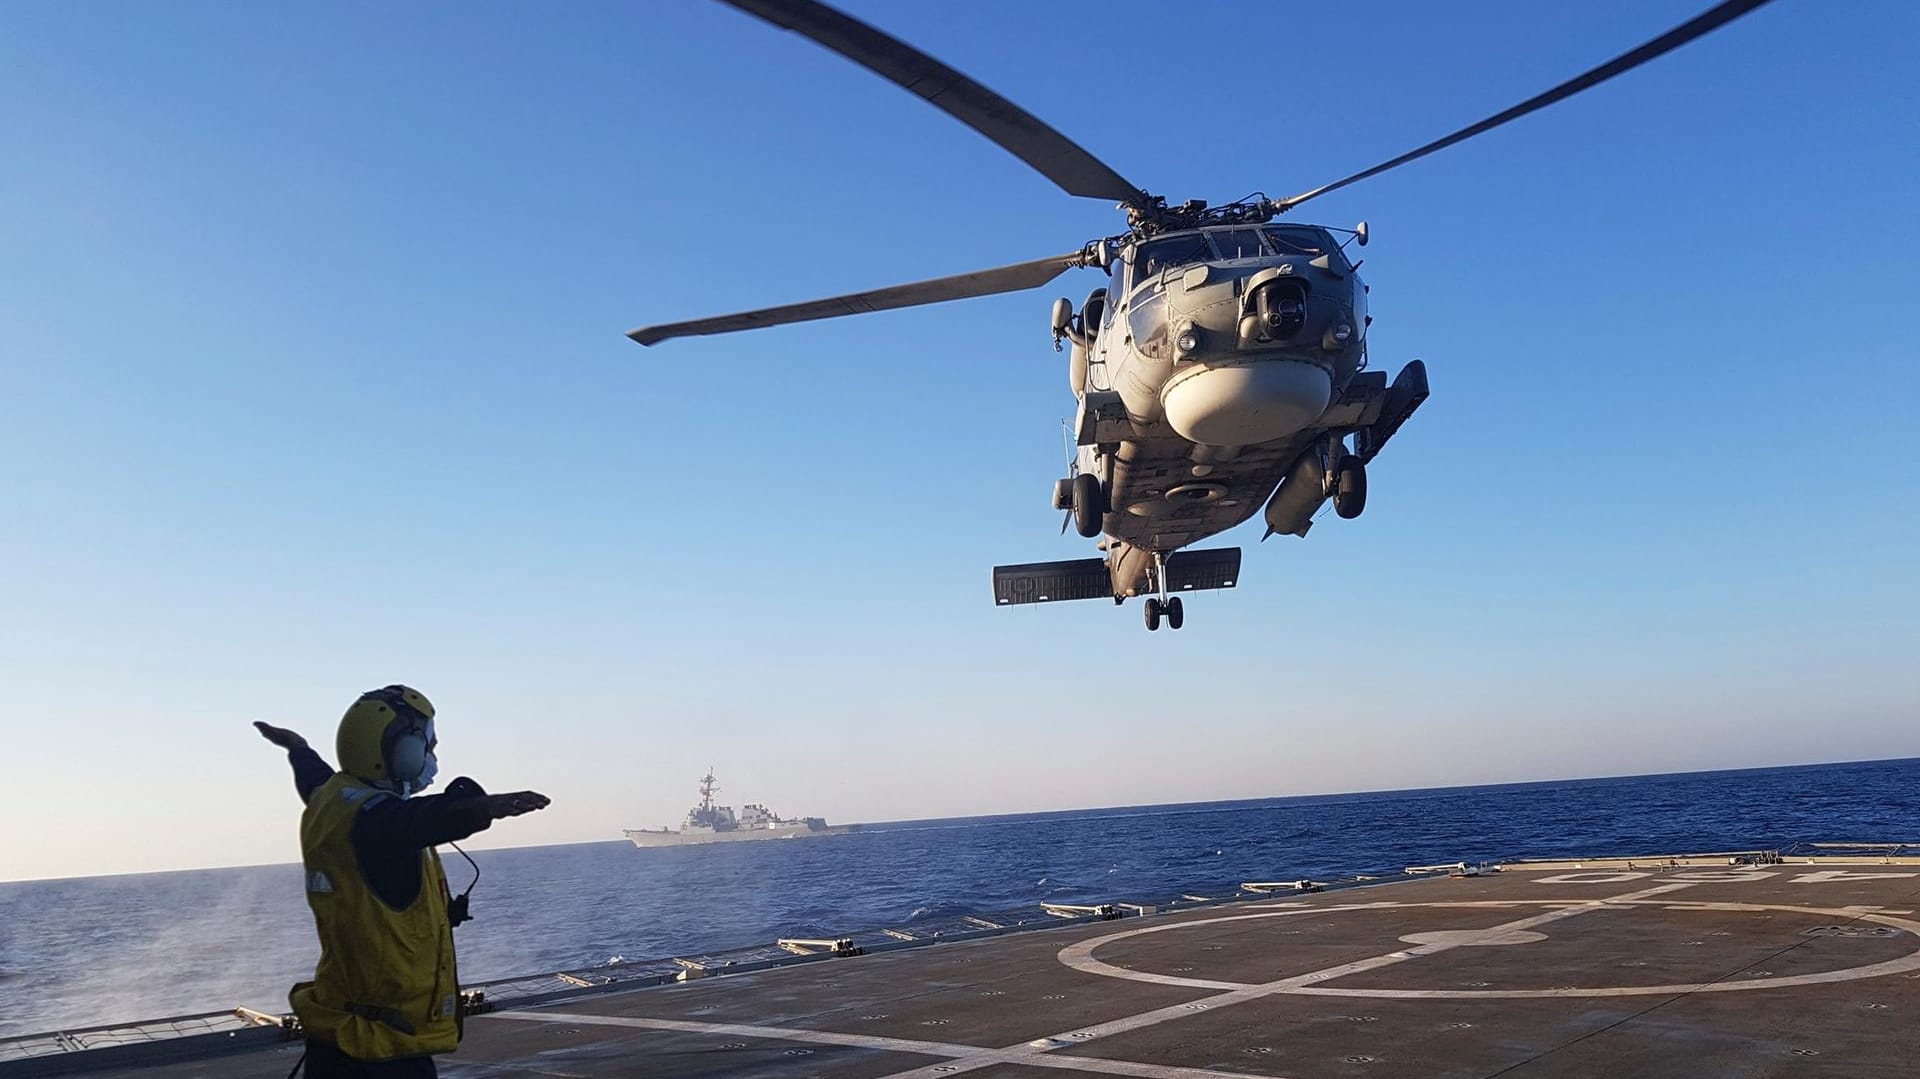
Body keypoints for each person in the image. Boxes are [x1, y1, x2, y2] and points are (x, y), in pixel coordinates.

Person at [255, 685, 549, 1078]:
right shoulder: (378, 824)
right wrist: (484, 807)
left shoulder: (335, 801)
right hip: (381, 1049)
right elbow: (422, 818)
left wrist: (298, 748)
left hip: (341, 1035)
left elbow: (315, 778)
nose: (430, 759)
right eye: (426, 748)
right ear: (400, 752)